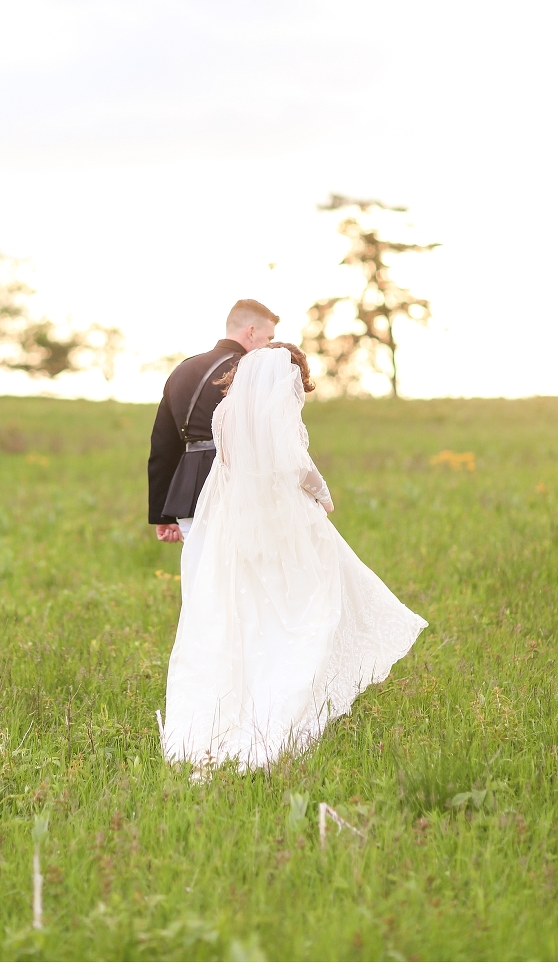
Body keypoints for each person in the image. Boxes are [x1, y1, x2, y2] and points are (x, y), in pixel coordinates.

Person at [163, 343, 427, 772]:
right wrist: (322, 494)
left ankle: (241, 701)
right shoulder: (277, 408)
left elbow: (226, 467)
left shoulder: (222, 413)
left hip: (238, 522)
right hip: (284, 521)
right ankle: (288, 701)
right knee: (309, 607)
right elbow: (295, 463)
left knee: (251, 612)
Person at [148, 299, 278, 544]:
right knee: (240, 579)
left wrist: (161, 513)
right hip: (238, 487)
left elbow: (163, 445)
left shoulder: (181, 371)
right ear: (251, 331)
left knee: (198, 578)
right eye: (268, 338)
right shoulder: (250, 370)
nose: (269, 346)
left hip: (187, 495)